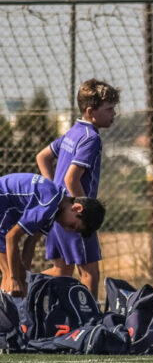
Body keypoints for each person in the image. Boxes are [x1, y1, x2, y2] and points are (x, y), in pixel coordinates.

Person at [36, 79, 119, 299]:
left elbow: (42, 157)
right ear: (91, 111)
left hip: (56, 212)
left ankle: (19, 289)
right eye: (109, 109)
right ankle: (89, 324)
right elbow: (72, 177)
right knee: (90, 273)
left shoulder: (73, 132)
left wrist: (52, 192)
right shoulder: (91, 138)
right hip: (75, 218)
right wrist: (81, 210)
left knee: (61, 270)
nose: (114, 114)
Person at [0, 173, 105, 297]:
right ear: (77, 208)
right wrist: (13, 278)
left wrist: (25, 277)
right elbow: (11, 237)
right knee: (10, 277)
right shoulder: (49, 204)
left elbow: (31, 241)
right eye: (72, 226)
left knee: (18, 275)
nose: (66, 229)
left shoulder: (55, 207)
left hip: (4, 210)